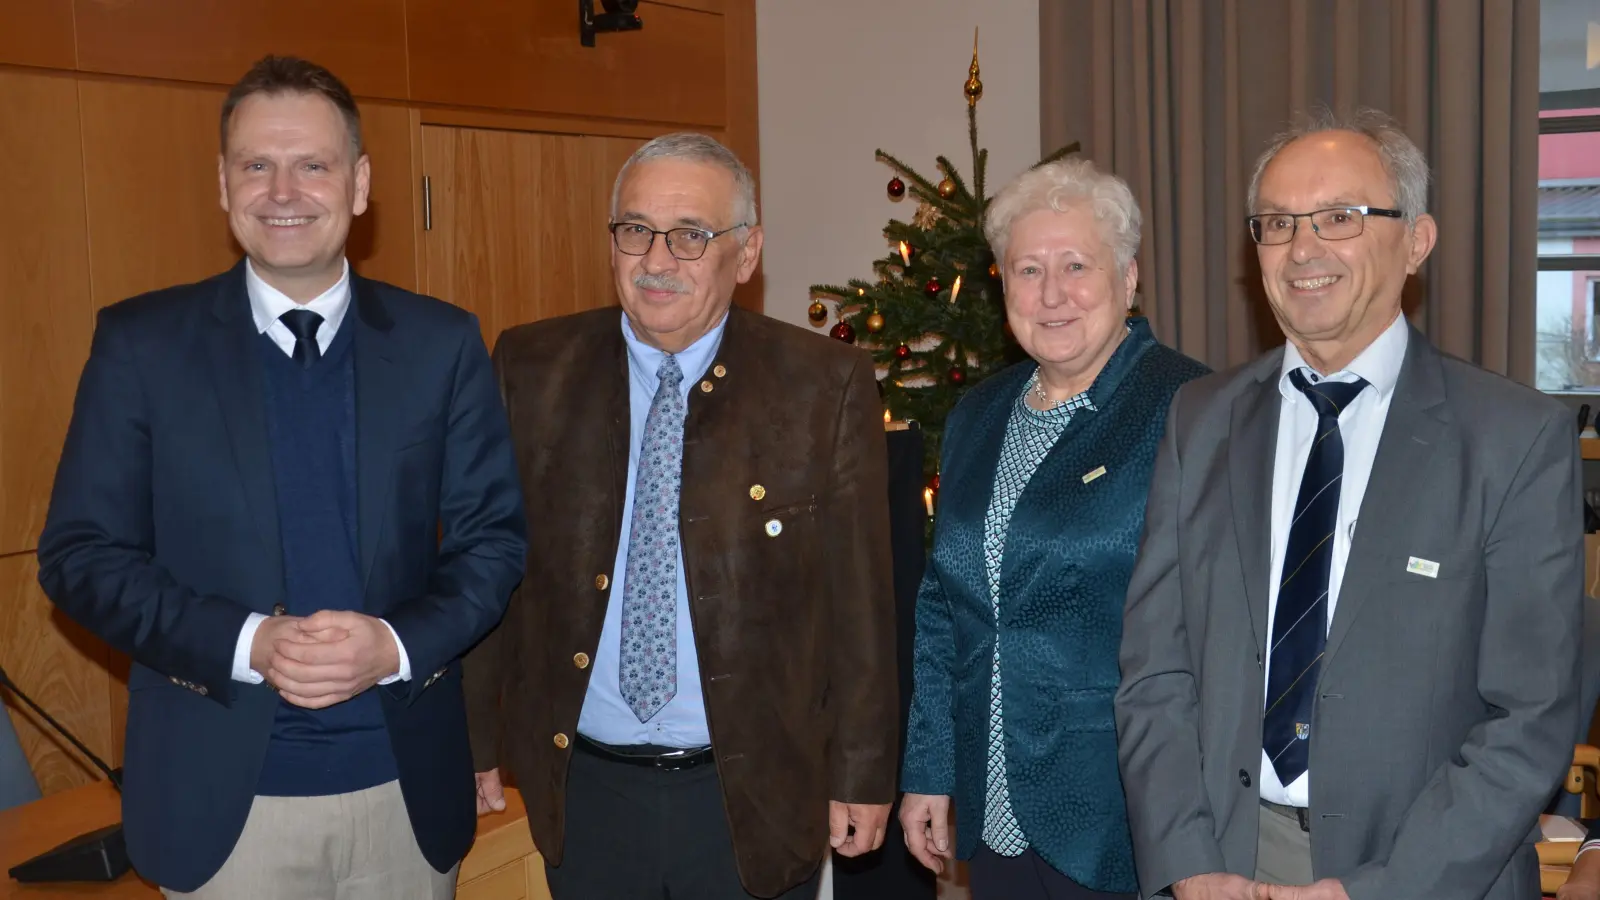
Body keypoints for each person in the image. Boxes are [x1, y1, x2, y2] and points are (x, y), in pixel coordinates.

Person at [35, 55, 527, 899]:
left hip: (403, 798)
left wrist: (395, 644)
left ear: (360, 183)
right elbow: (79, 557)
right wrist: (248, 642)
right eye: (256, 165)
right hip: (222, 809)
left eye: (313, 164)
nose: (283, 191)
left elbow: (493, 543)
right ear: (224, 187)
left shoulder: (441, 345)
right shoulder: (141, 346)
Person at [1115, 108, 1583, 900]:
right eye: (1276, 223)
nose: (1303, 249)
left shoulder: (1514, 440)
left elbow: (1530, 717)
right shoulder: (1202, 420)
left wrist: (1381, 890)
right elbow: (1154, 673)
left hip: (1424, 872)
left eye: (1341, 217)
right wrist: (1188, 862)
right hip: (1226, 859)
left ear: (1417, 240)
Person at [462, 132, 898, 900]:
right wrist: (475, 740)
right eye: (634, 230)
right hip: (585, 785)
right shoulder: (532, 367)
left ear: (747, 250)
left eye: (690, 236)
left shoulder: (821, 385)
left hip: (752, 792)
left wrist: (863, 771)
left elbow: (860, 600)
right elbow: (491, 566)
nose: (656, 262)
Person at [898, 158, 1207, 900]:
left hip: (1128, 813)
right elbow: (945, 606)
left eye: (1076, 265)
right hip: (995, 808)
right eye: (1027, 269)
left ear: (1128, 278)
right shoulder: (980, 413)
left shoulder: (1190, 407)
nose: (1052, 294)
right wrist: (930, 770)